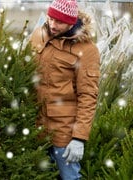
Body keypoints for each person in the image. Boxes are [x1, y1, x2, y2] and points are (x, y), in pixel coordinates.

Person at [29, 0, 100, 179]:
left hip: (64, 131)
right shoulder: (39, 35)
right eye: (50, 18)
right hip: (36, 127)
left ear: (71, 21)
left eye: (59, 22)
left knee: (69, 176)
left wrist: (79, 138)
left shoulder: (86, 50)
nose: (52, 25)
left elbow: (88, 96)